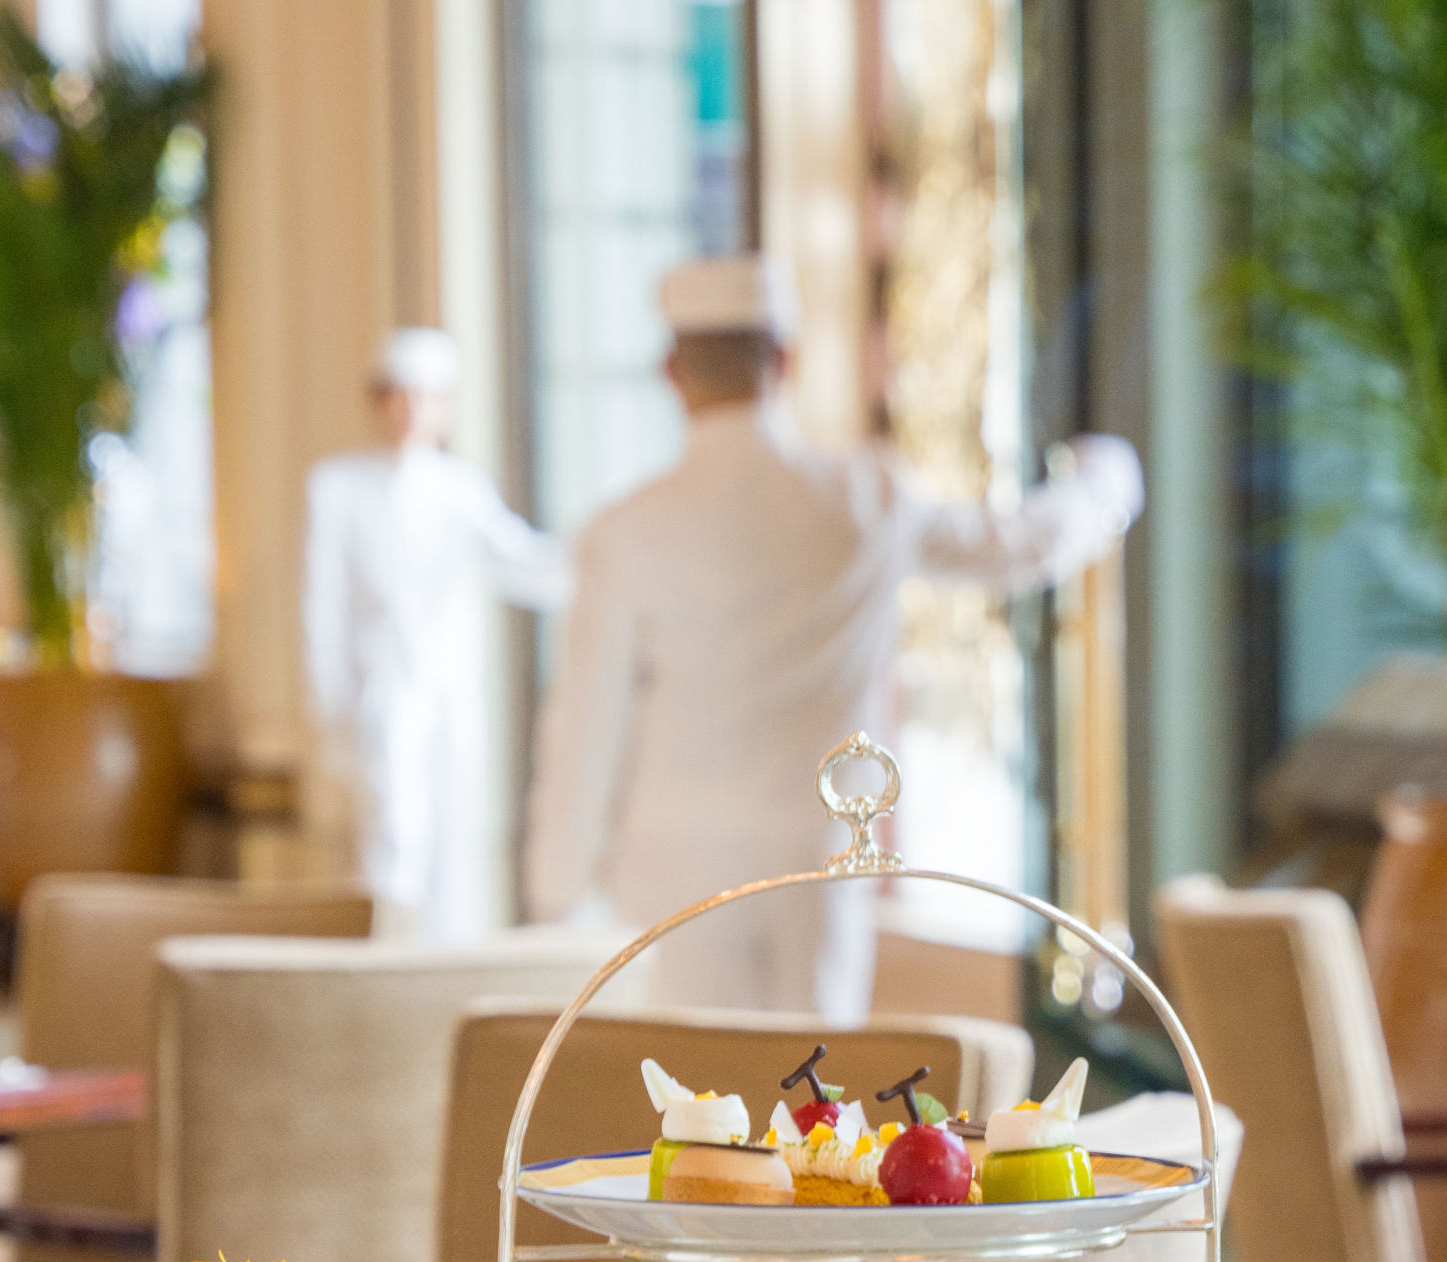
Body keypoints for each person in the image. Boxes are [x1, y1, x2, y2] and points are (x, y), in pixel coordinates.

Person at [521, 254, 1143, 1017]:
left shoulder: (624, 532)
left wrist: (555, 891)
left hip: (668, 864)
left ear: (671, 373)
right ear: (785, 362)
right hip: (814, 860)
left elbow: (585, 724)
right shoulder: (865, 498)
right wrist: (1101, 484)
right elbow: (1015, 543)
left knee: (689, 1103)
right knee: (813, 1102)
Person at [303, 326, 570, 940]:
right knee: (394, 839)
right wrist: (327, 714)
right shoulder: (337, 488)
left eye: (423, 397)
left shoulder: (460, 489)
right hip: (382, 696)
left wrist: (601, 554)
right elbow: (322, 612)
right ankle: (382, 973)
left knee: (457, 840)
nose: (409, 411)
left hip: (452, 694)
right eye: (396, 396)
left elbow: (522, 564)